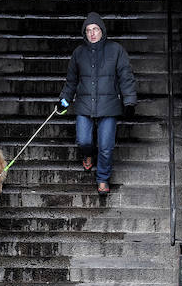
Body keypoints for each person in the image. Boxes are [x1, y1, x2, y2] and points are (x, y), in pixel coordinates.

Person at [56, 12, 137, 196]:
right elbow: (71, 81)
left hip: (109, 106)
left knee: (106, 146)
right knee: (84, 139)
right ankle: (88, 153)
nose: (92, 33)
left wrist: (129, 101)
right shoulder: (79, 53)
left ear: (102, 31)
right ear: (85, 33)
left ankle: (102, 178)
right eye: (89, 30)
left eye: (96, 29)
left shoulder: (116, 50)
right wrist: (64, 101)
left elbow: (126, 77)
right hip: (84, 104)